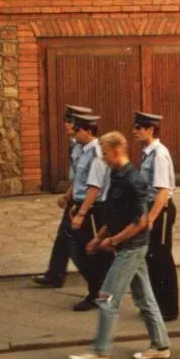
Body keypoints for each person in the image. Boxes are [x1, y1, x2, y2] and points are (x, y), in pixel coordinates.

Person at [68, 132, 170, 359]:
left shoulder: (134, 180)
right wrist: (99, 238)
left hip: (131, 247)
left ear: (116, 150)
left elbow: (141, 221)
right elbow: (114, 215)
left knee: (106, 298)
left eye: (104, 153)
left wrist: (113, 241)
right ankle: (160, 345)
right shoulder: (115, 174)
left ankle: (100, 353)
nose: (102, 157)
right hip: (127, 245)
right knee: (145, 298)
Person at [33, 104, 91, 289]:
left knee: (76, 242)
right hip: (76, 195)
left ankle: (97, 280)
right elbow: (77, 176)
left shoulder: (85, 148)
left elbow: (88, 179)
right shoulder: (75, 145)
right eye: (66, 121)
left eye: (69, 121)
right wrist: (67, 196)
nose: (65, 125)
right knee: (64, 236)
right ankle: (55, 274)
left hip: (86, 198)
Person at [132, 111, 179, 322]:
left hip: (161, 209)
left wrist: (151, 218)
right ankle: (158, 304)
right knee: (152, 258)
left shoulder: (159, 154)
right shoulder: (148, 152)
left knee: (161, 258)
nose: (135, 132)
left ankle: (169, 308)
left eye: (138, 128)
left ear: (150, 129)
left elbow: (162, 191)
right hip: (151, 207)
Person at [68, 113, 112, 312]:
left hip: (94, 209)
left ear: (88, 131)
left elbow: (94, 188)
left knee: (90, 252)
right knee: (78, 251)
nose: (73, 132)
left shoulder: (96, 153)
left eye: (77, 129)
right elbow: (79, 179)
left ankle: (98, 293)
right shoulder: (82, 149)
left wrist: (82, 213)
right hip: (82, 204)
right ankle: (101, 289)